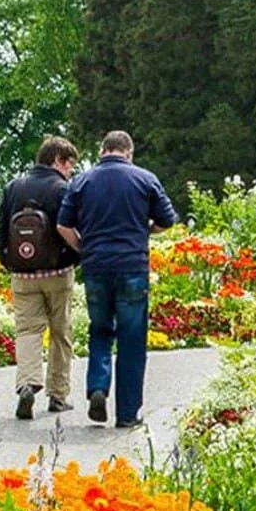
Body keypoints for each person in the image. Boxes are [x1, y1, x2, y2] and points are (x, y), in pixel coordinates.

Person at [56, 130, 178, 430]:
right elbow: (167, 219)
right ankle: (127, 413)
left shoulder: (81, 181)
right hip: (132, 266)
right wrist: (145, 230)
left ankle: (98, 387)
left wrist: (84, 248)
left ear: (102, 150)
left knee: (100, 330)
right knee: (132, 339)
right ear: (129, 153)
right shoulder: (145, 179)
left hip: (96, 267)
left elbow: (63, 225)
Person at [0, 136, 82, 420]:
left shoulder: (13, 187)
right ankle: (57, 395)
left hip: (22, 273)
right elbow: (72, 225)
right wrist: (77, 257)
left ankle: (27, 384)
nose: (70, 170)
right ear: (57, 160)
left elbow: (0, 228)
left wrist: (8, 261)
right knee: (60, 332)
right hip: (58, 272)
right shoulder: (62, 189)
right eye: (69, 164)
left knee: (27, 331)